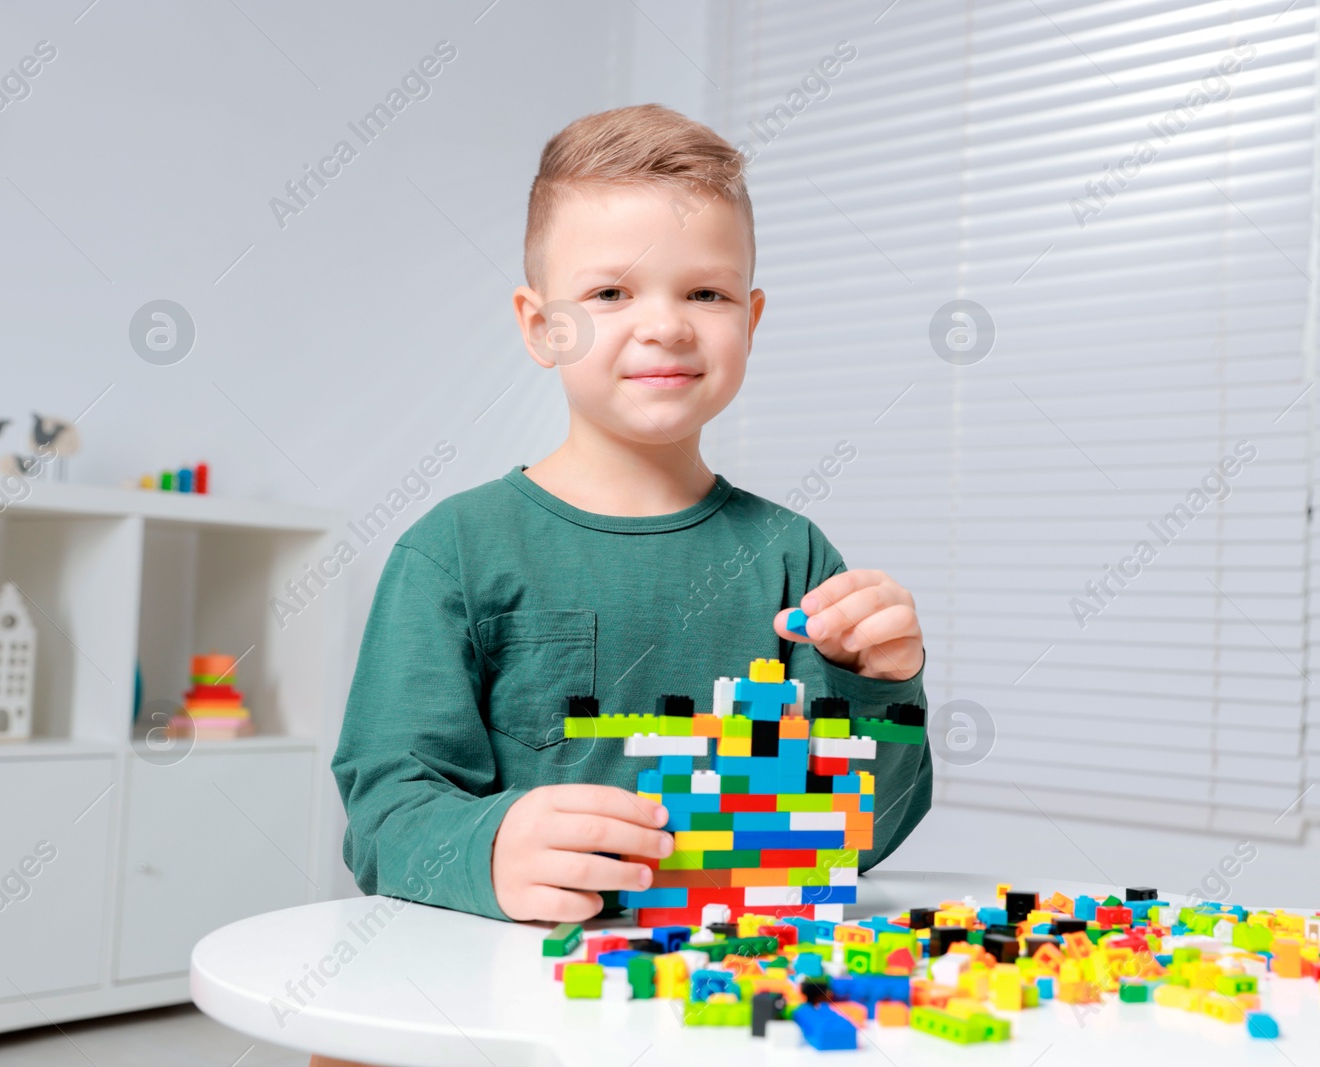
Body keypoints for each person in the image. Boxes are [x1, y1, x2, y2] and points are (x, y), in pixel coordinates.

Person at [320, 107, 931, 1064]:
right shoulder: (455, 550)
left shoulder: (795, 553)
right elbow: (385, 809)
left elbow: (867, 831)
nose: (664, 323)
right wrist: (488, 848)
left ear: (751, 321)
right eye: (609, 290)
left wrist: (883, 685)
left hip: (734, 1011)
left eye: (707, 292)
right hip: (506, 1006)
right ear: (540, 325)